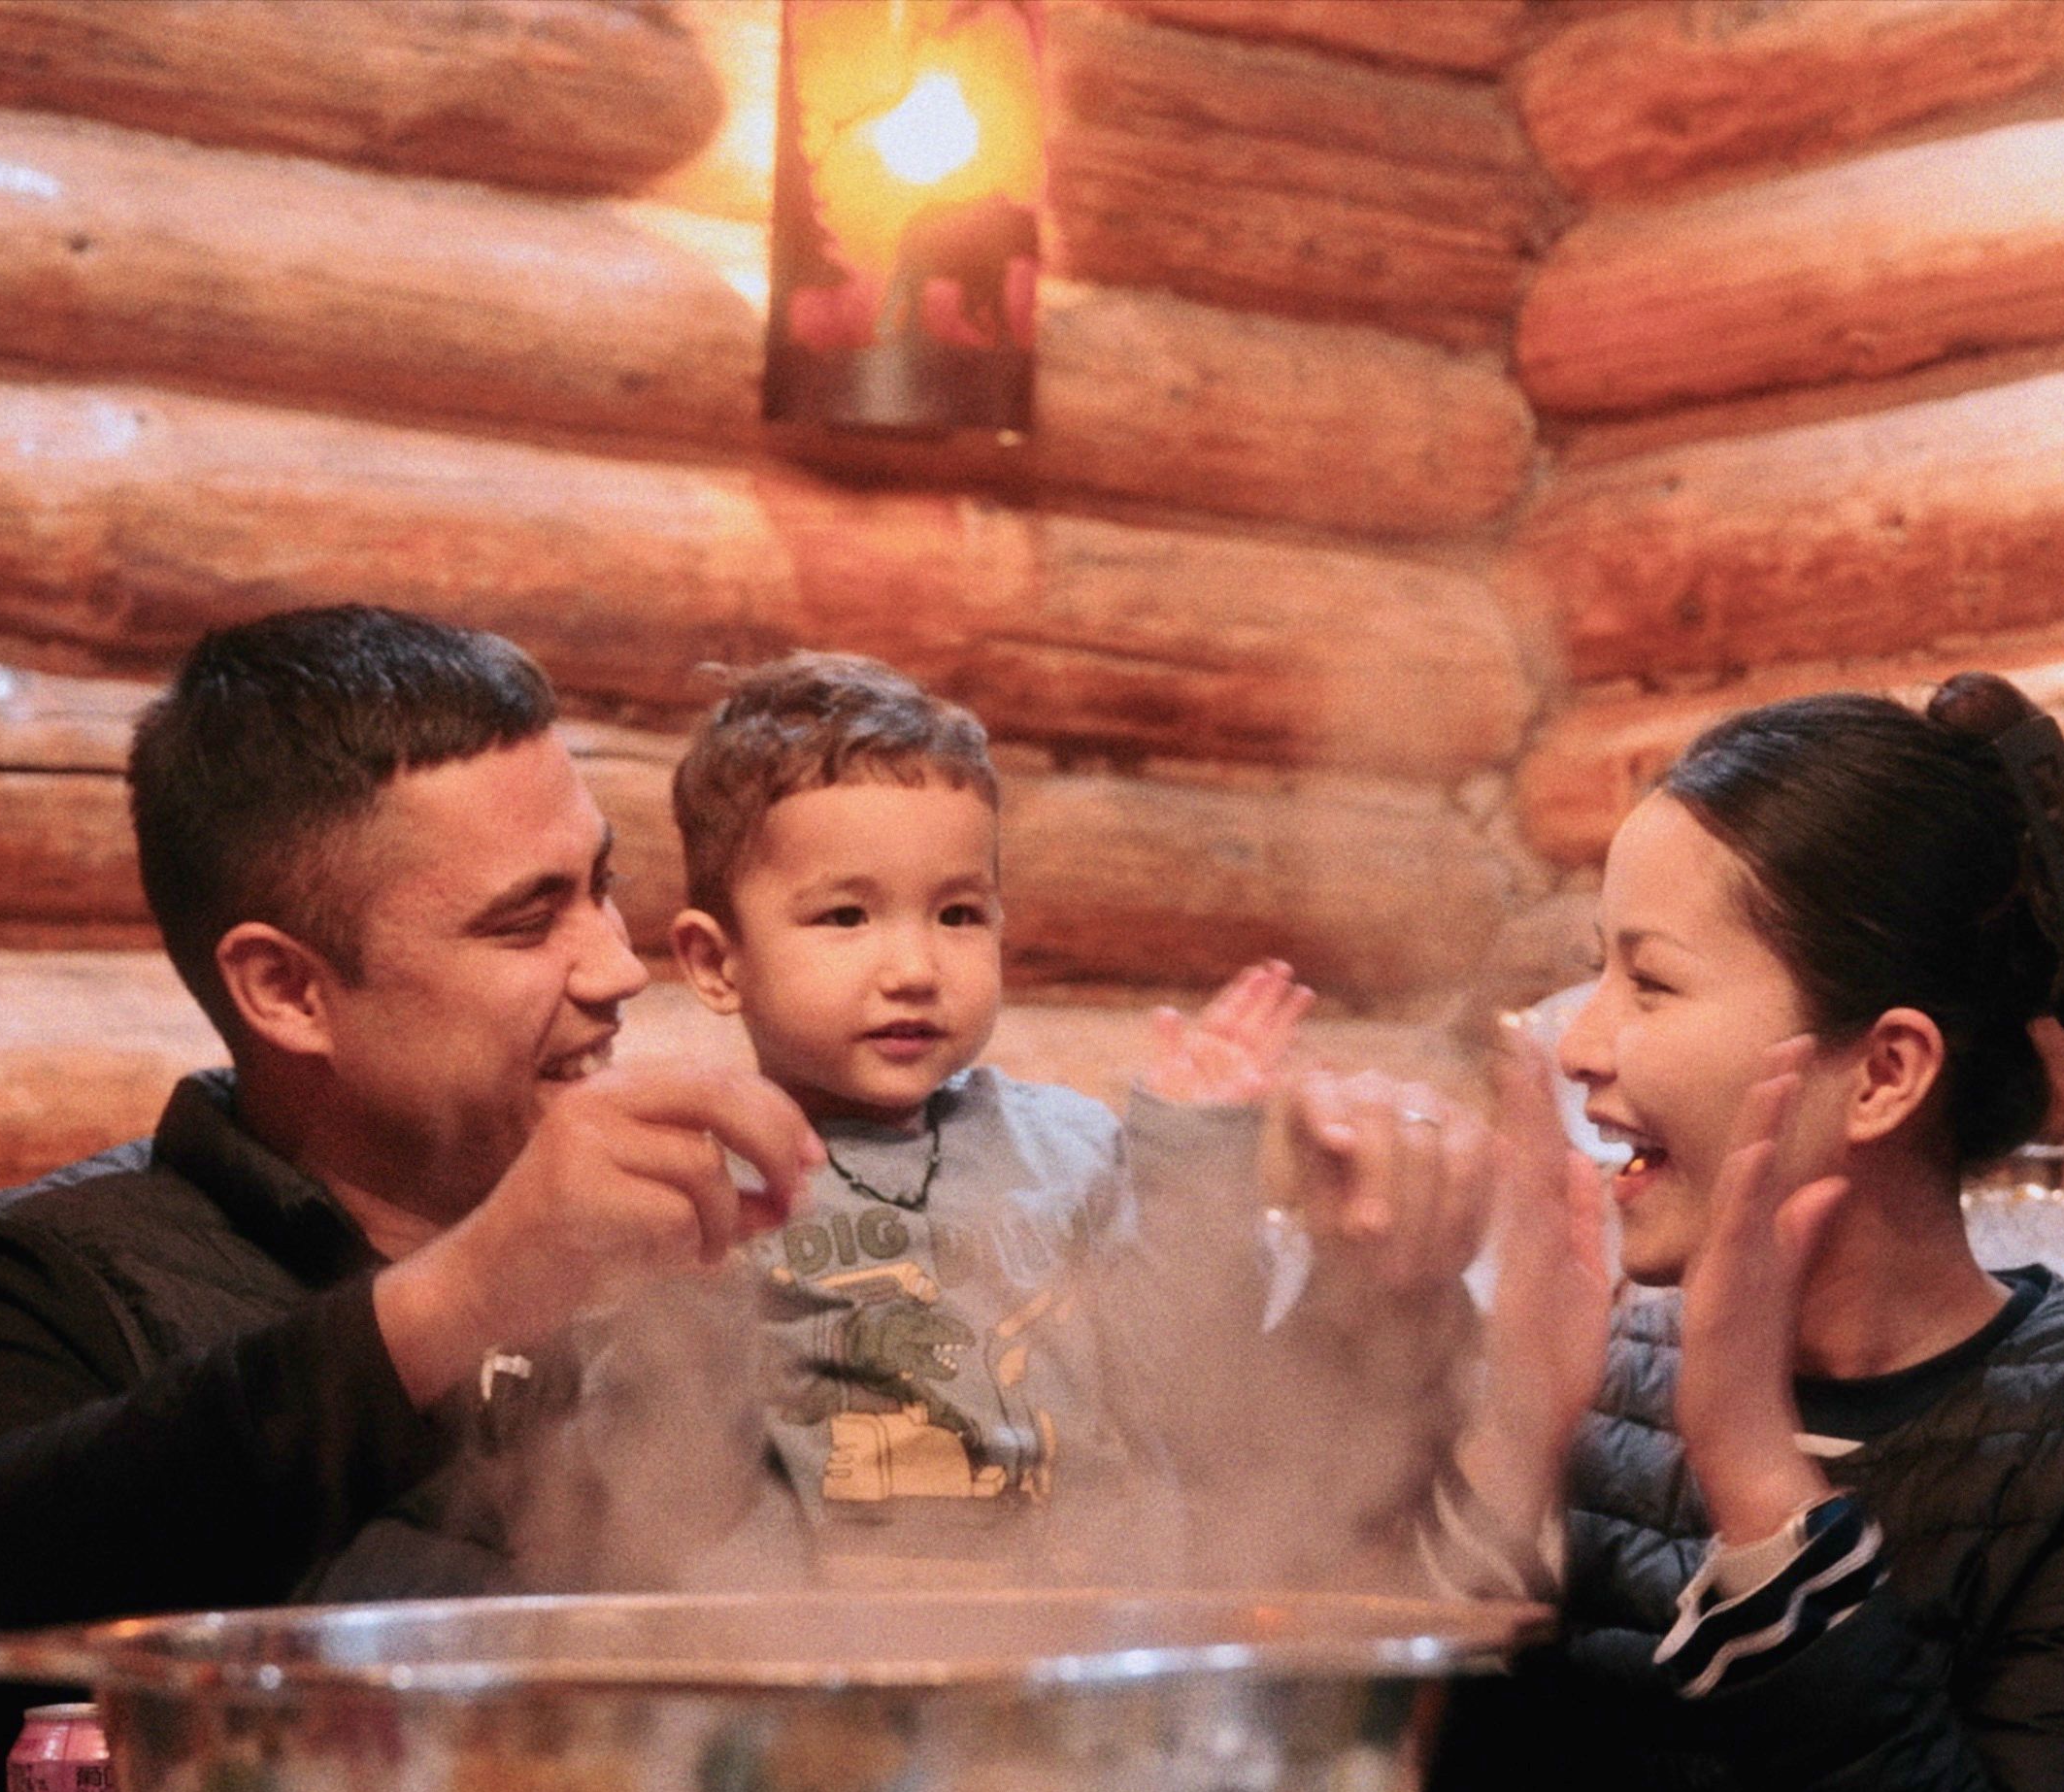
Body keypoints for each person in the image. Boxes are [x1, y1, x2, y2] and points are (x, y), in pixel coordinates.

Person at [0, 606, 823, 1792]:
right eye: (528, 917)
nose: (614, 965)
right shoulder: (25, 1279)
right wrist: (465, 1296)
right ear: (286, 988)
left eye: (599, 886)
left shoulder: (672, 1280)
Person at [1364, 677, 2064, 1792]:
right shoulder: (1589, 1372)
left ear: (1881, 1075)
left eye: (1650, 980)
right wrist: (1508, 1435)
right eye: (1595, 972)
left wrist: (1757, 1485)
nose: (1579, 1044)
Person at [320, 651, 1475, 1597]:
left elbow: (1178, 1380)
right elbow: (630, 1493)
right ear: (716, 963)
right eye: (845, 916)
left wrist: (1191, 1149)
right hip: (811, 1685)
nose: (914, 967)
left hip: (1086, 1661)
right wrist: (685, 1294)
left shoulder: (1071, 1147)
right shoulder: (679, 1169)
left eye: (958, 913)